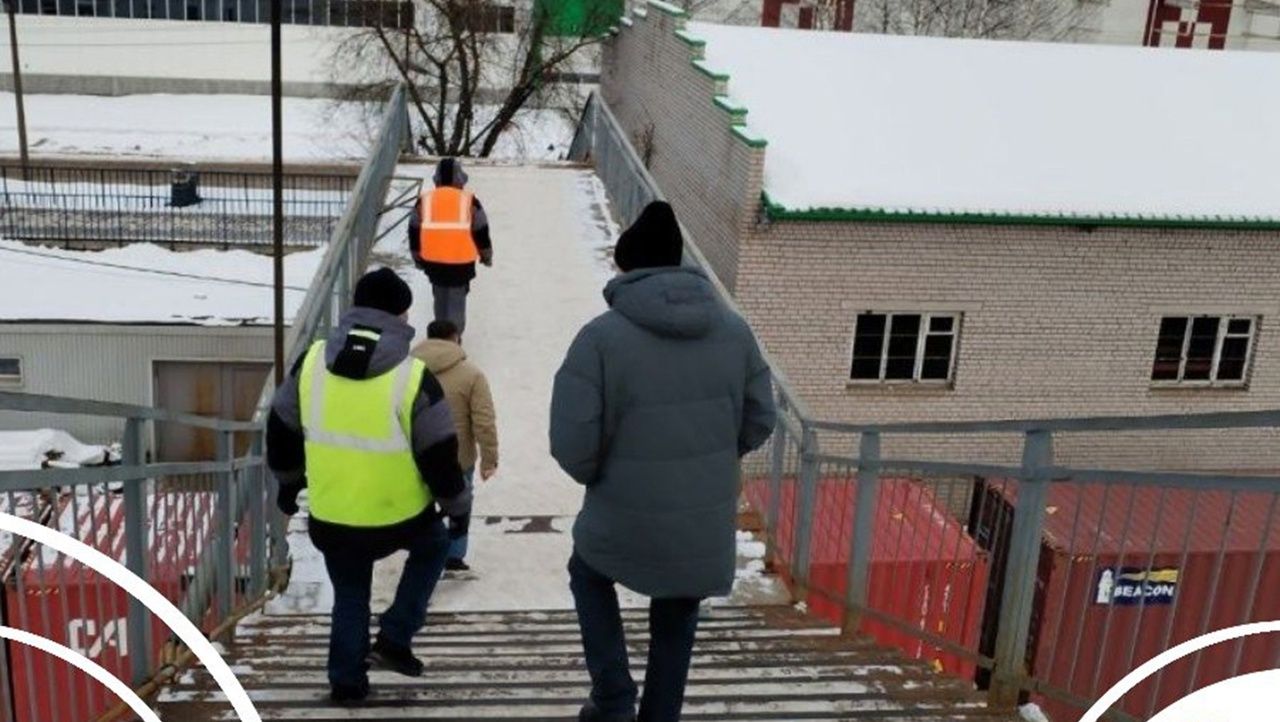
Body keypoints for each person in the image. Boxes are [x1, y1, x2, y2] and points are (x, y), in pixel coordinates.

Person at [549, 201, 777, 722]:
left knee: (588, 572)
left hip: (620, 513)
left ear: (627, 269)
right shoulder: (734, 332)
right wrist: (713, 457)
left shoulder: (600, 339)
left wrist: (597, 473)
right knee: (678, 608)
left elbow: (571, 441)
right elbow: (761, 417)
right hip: (700, 519)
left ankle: (612, 695)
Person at [266, 267, 472, 705]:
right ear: (401, 314)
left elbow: (281, 427)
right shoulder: (413, 377)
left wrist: (288, 484)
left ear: (354, 309)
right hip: (401, 516)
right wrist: (457, 507)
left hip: (332, 514)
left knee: (351, 594)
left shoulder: (311, 364)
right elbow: (440, 451)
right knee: (435, 544)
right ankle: (396, 635)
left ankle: (346, 681)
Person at [410, 319, 499, 573]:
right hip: (458, 456)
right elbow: (484, 421)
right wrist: (489, 458)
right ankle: (454, 556)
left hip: (416, 454)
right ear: (456, 338)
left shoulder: (408, 369)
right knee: (460, 501)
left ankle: (423, 550)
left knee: (421, 503)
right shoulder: (471, 374)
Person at [409, 157, 493, 337]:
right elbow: (481, 230)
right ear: (460, 178)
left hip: (433, 261)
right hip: (461, 262)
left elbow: (414, 230)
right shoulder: (470, 200)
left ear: (437, 178)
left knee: (440, 298)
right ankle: (453, 339)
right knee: (456, 301)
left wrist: (417, 257)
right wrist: (486, 256)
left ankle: (439, 337)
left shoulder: (425, 200)